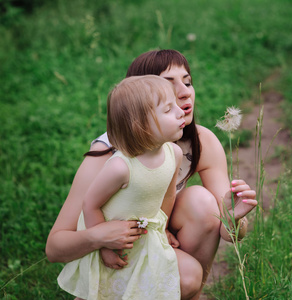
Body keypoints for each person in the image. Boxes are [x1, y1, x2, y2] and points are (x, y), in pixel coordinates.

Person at [46, 49, 258, 300]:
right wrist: (100, 237)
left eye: (187, 81)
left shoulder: (199, 143)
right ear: (138, 107)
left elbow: (228, 233)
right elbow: (54, 248)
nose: (185, 91)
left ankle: (191, 295)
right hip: (115, 251)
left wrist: (232, 219)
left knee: (201, 203)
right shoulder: (109, 157)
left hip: (151, 240)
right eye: (168, 85)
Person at [57, 75, 185, 299]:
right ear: (141, 126)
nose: (180, 111)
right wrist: (104, 246)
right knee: (102, 290)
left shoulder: (173, 153)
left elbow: (167, 195)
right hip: (108, 238)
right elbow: (90, 204)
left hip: (141, 240)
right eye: (168, 109)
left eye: (176, 104)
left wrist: (162, 228)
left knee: (140, 289)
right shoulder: (121, 167)